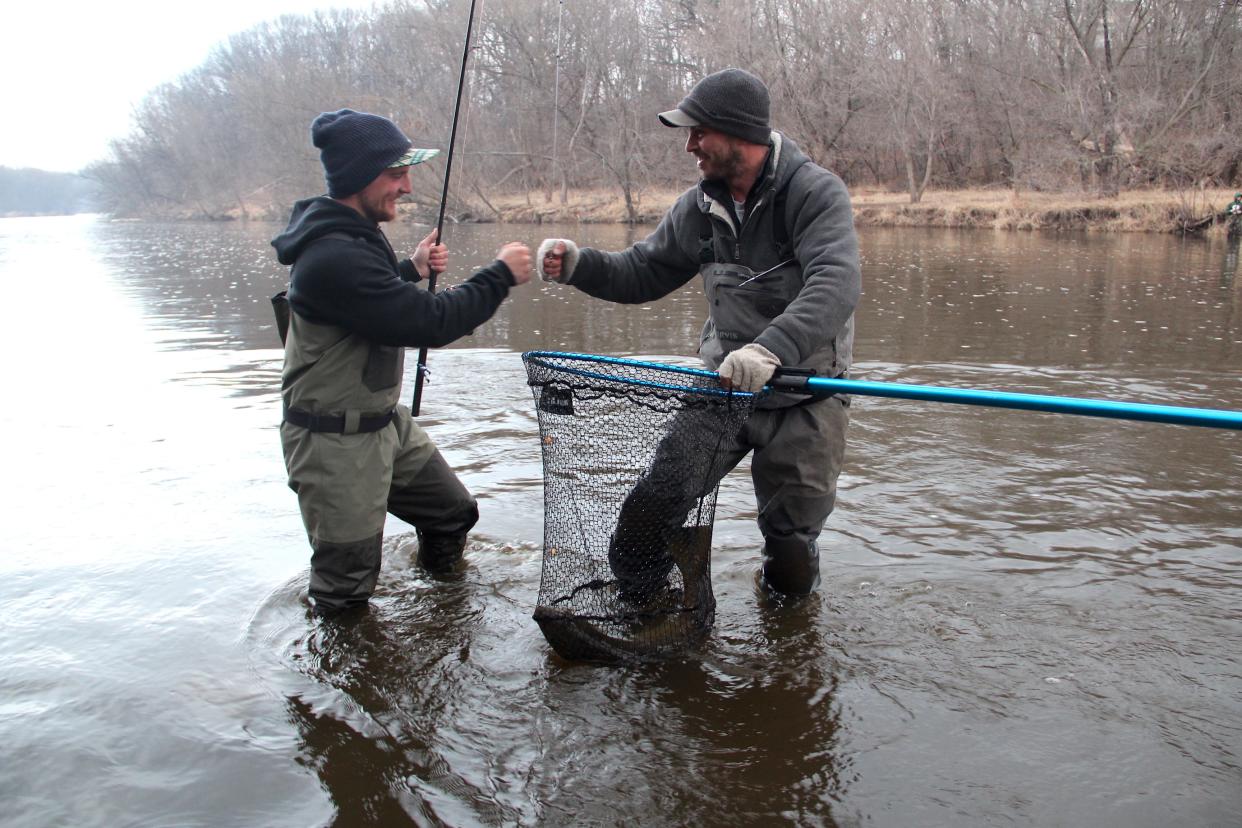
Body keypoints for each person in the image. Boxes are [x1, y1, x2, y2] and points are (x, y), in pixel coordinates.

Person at [537, 68, 860, 597]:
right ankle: (647, 610)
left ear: (739, 135)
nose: (690, 146)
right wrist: (579, 265)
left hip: (808, 392)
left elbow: (836, 283)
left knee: (791, 548)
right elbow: (644, 270)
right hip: (722, 387)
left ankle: (785, 639)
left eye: (699, 132)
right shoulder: (699, 205)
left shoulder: (815, 193)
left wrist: (771, 350)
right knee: (652, 505)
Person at [272, 108, 533, 615]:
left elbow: (368, 299)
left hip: (384, 427)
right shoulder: (334, 255)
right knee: (345, 590)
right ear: (359, 176)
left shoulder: (350, 237)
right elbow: (428, 322)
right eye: (396, 174)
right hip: (334, 444)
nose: (407, 186)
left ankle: (443, 605)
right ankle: (335, 683)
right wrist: (498, 276)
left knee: (451, 514)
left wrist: (409, 269)